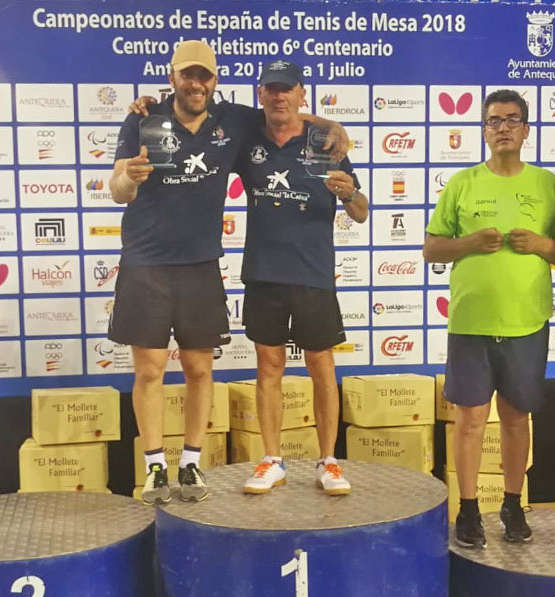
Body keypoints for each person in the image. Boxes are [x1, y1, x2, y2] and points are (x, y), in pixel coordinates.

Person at [110, 42, 346, 505]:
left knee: (200, 370)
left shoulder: (232, 120)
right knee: (150, 371)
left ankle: (191, 463)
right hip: (145, 262)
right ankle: (155, 467)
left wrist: (331, 125)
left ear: (215, 81)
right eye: (187, 75)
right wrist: (129, 179)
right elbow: (117, 188)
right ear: (172, 77)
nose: (196, 84)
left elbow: (283, 115)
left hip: (200, 263)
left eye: (204, 76)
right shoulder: (143, 117)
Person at [423, 89, 555, 548]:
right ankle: (468, 509)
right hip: (470, 322)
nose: (503, 128)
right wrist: (469, 243)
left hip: (526, 321)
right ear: (484, 130)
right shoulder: (462, 183)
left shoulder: (548, 185)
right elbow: (432, 249)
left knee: (515, 418)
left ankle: (512, 504)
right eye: (494, 121)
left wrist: (542, 245)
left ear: (526, 129)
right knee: (469, 420)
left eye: (511, 120)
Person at [231, 61, 368, 496]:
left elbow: (361, 212)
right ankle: (272, 460)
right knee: (268, 366)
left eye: (287, 89)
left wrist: (349, 192)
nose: (279, 96)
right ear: (260, 94)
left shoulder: (326, 141)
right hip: (263, 272)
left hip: (313, 272)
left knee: (321, 365)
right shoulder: (247, 137)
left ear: (301, 93)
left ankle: (329, 461)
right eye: (271, 88)